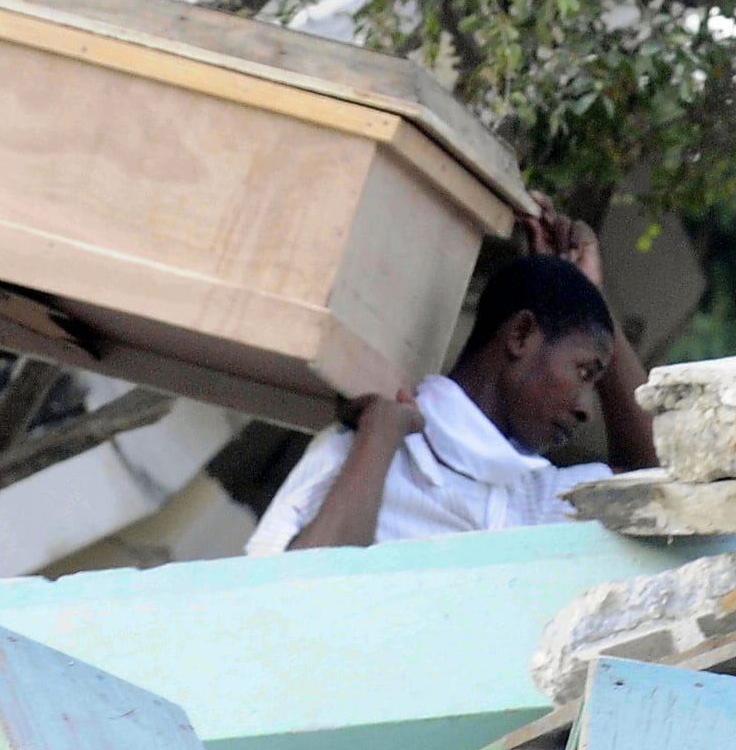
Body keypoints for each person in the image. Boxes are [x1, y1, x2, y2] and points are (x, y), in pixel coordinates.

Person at [246, 215, 658, 554]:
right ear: (521, 336)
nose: (588, 408)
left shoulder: (533, 498)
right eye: (585, 372)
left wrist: (590, 296)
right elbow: (291, 594)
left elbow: (660, 481)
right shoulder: (354, 449)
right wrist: (380, 436)